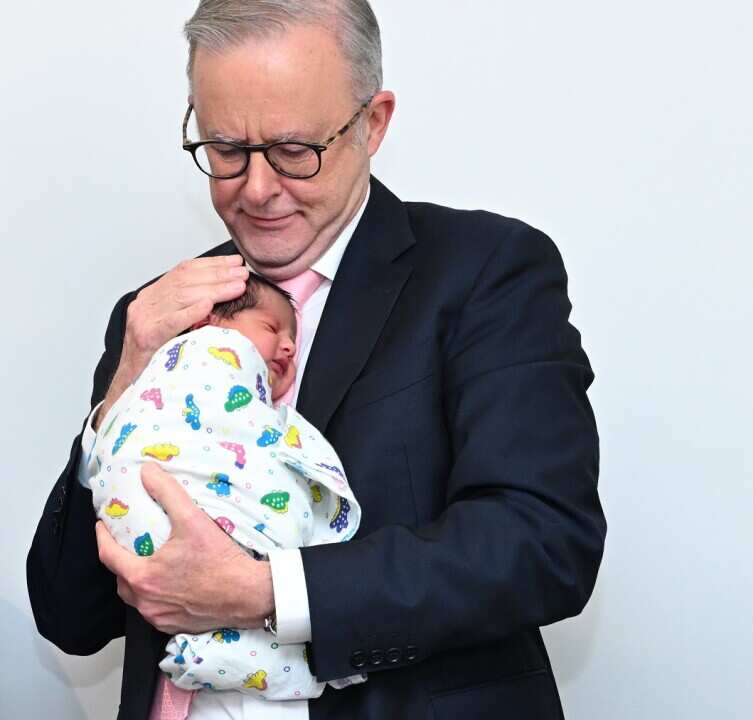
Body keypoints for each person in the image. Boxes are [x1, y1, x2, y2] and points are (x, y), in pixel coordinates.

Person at [27, 1, 605, 719]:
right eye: (227, 149)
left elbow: (543, 544)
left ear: (373, 123)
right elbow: (70, 617)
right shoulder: (158, 313)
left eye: (296, 151)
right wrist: (122, 385)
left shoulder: (486, 271)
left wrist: (266, 590)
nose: (258, 188)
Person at [88, 275, 363, 702]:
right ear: (208, 325)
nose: (289, 346)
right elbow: (69, 614)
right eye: (273, 329)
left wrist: (269, 587)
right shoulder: (175, 345)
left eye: (294, 338)